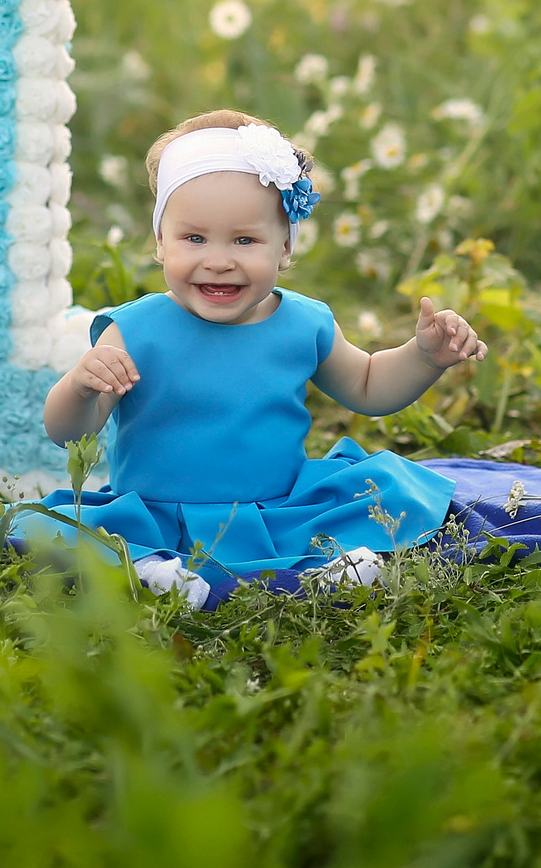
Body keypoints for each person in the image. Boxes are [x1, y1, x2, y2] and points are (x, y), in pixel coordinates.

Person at [28, 108, 487, 594]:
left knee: (377, 490)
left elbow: (369, 387)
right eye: (194, 238)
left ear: (284, 248)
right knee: (86, 535)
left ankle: (319, 567)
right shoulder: (135, 331)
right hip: (160, 515)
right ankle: (149, 568)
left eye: (245, 240)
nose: (219, 261)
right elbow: (69, 432)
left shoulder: (303, 324)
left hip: (274, 509)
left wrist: (423, 357)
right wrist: (80, 387)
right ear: (161, 242)